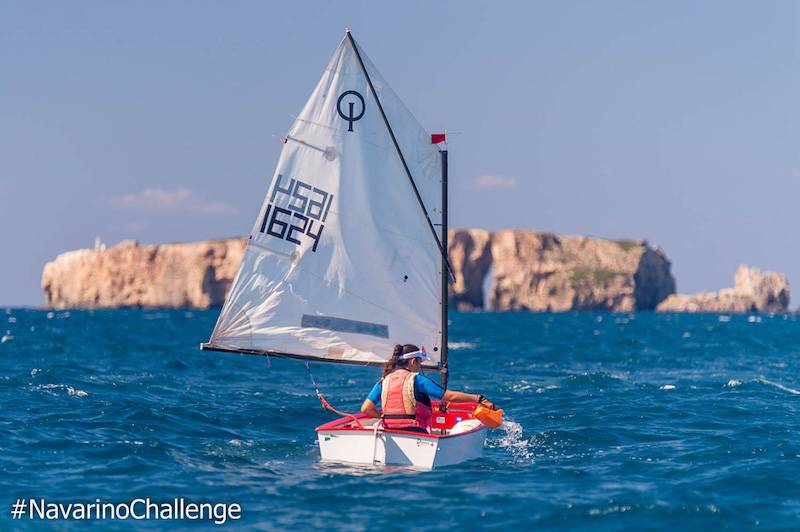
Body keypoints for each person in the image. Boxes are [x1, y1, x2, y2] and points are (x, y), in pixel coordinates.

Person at [360, 343, 493, 434]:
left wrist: (383, 417)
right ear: (413, 361)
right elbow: (449, 397)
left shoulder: (384, 381)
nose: (420, 366)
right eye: (420, 362)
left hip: (389, 430)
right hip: (414, 432)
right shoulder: (417, 379)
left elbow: (366, 409)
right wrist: (477, 398)